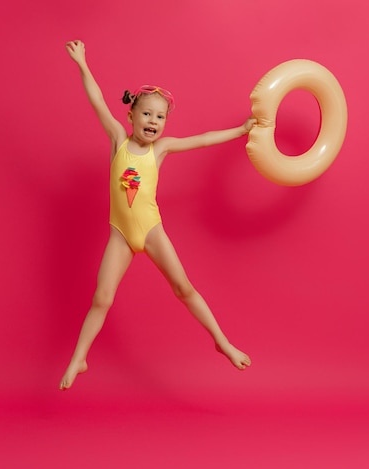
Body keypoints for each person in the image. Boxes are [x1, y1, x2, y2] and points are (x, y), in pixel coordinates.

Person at [60, 40, 255, 390]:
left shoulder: (161, 149)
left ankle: (221, 341)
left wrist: (240, 131)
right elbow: (97, 101)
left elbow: (205, 139)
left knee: (184, 288)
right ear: (131, 115)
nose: (154, 121)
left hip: (151, 231)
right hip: (120, 234)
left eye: (160, 117)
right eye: (147, 114)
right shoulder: (118, 139)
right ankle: (79, 358)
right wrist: (82, 64)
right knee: (101, 298)